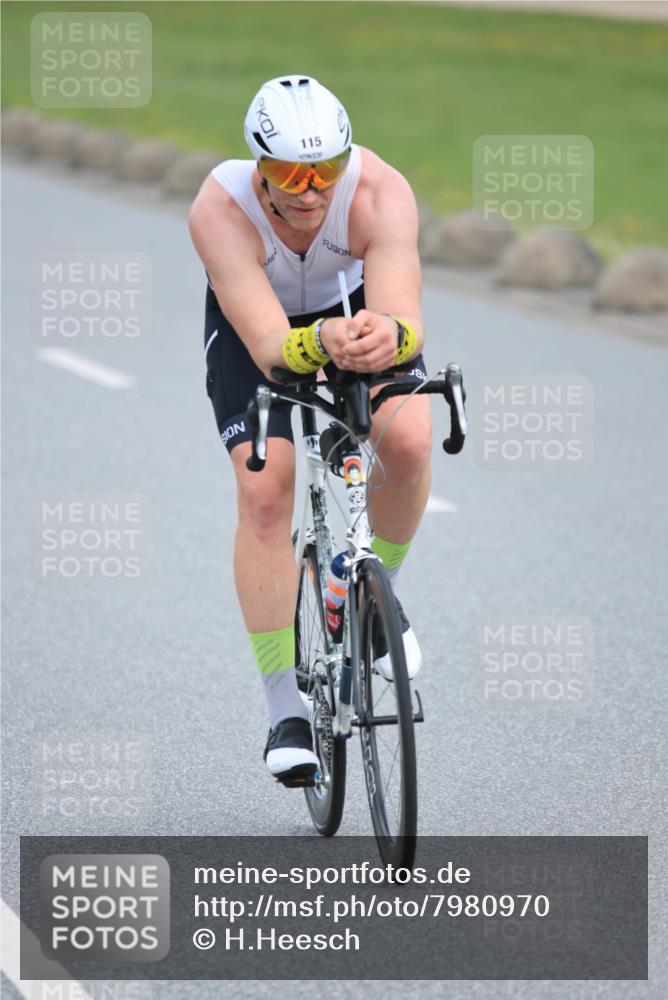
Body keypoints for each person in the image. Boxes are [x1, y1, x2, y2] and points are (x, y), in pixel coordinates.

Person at [189, 75, 432, 786]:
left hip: (353, 315)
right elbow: (269, 346)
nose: (309, 189)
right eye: (289, 173)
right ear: (258, 165)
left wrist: (385, 334)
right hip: (254, 326)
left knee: (410, 443)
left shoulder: (380, 191)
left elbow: (405, 313)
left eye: (324, 169)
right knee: (266, 491)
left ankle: (366, 594)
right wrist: (317, 342)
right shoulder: (218, 207)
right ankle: (284, 709)